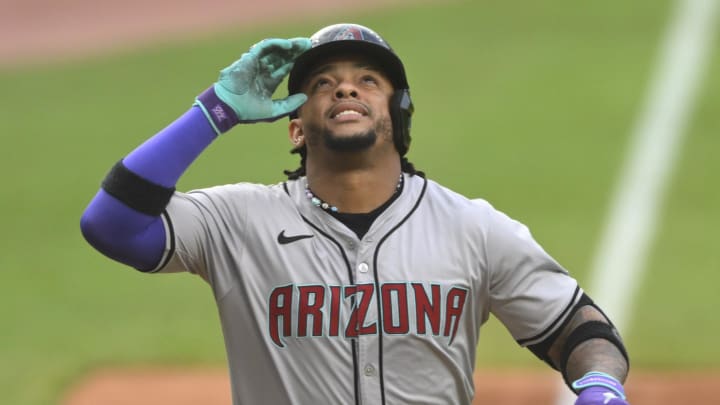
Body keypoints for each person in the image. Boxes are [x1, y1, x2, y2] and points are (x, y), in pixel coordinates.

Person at [80, 23, 631, 405]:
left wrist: (601, 384)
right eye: (321, 84)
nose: (345, 86)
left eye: (369, 80)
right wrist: (214, 111)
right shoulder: (236, 221)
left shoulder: (473, 228)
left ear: (399, 113)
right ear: (296, 127)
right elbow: (111, 224)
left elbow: (579, 329)